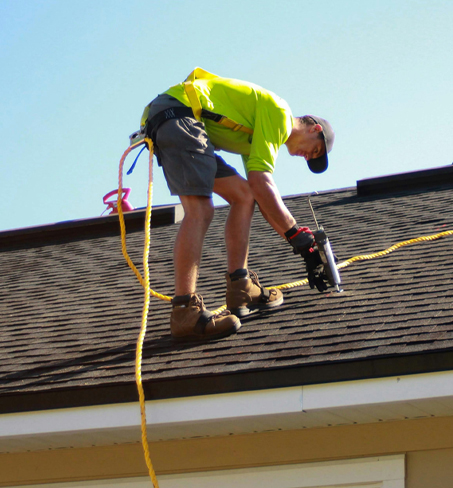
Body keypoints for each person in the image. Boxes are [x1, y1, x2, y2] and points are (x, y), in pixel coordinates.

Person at [140, 68, 335, 342]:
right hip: (178, 116)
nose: (307, 156)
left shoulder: (258, 134)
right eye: (314, 150)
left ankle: (240, 287)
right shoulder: (279, 113)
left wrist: (298, 241)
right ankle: (184, 311)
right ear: (315, 128)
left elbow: (258, 190)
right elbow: (263, 182)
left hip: (181, 121)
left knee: (243, 196)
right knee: (200, 210)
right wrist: (296, 236)